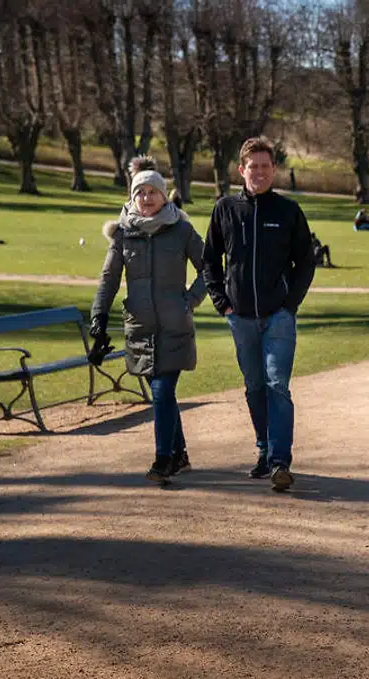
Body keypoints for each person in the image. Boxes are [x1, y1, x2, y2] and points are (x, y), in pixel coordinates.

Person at [203, 136, 316, 492]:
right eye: (254, 166)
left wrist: (289, 304)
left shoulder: (288, 211)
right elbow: (209, 261)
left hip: (278, 317)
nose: (260, 172)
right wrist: (224, 304)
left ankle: (281, 461)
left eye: (266, 166)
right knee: (254, 387)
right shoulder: (225, 209)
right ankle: (264, 451)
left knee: (276, 385)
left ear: (274, 170)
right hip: (241, 318)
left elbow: (306, 262)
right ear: (242, 170)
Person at [90, 156, 207, 486]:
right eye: (140, 193)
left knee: (161, 390)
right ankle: (180, 453)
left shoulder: (182, 230)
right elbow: (108, 279)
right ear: (132, 197)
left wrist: (190, 301)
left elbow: (210, 269)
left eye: (153, 192)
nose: (147, 198)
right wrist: (98, 317)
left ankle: (163, 460)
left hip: (175, 326)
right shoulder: (123, 235)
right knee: (163, 394)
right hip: (140, 329)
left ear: (164, 194)